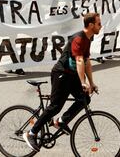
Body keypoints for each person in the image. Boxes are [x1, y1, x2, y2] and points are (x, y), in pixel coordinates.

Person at [23, 13, 101, 152]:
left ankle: (60, 121)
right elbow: (79, 60)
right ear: (91, 25)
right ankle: (31, 133)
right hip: (61, 73)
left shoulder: (88, 39)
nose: (100, 26)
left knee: (84, 99)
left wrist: (92, 82)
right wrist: (83, 82)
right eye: (98, 24)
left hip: (71, 75)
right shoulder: (78, 39)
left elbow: (87, 62)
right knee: (55, 107)